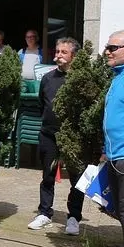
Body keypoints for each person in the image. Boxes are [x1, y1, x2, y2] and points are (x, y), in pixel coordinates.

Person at [28, 38, 84, 235]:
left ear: (73, 56)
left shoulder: (80, 81)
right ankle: (44, 212)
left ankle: (74, 218)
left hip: (74, 138)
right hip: (49, 135)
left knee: (77, 179)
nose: (58, 55)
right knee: (47, 175)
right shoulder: (48, 78)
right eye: (57, 51)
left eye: (63, 52)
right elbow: (42, 106)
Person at [102, 32, 124, 247]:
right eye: (107, 46)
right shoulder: (119, 77)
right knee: (123, 213)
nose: (107, 51)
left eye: (113, 47)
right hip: (115, 157)